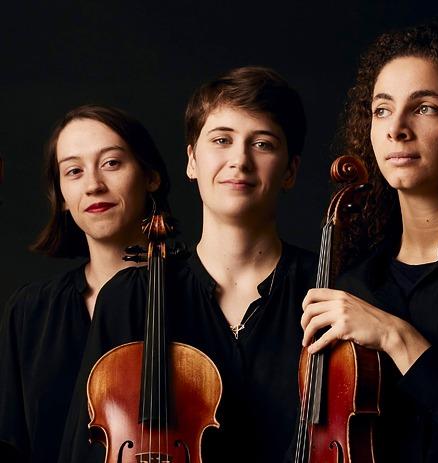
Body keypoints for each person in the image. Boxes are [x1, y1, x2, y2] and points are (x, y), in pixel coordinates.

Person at [57, 66, 316, 463]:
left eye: (262, 144)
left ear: (291, 171)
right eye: (221, 140)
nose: (239, 161)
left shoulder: (330, 290)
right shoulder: (129, 299)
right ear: (192, 160)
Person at [300, 23, 438, 462]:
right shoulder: (353, 285)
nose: (396, 129)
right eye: (382, 110)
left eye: (425, 108)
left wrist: (397, 338)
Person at [0, 105, 170, 463]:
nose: (94, 185)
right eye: (74, 171)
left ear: (150, 175)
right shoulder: (31, 311)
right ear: (61, 196)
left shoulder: (195, 296)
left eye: (111, 163)